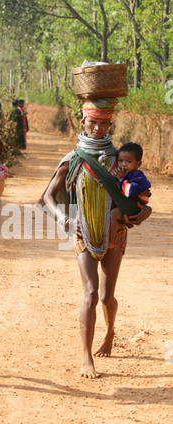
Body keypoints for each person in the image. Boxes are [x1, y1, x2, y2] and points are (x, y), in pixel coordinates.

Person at [41, 99, 152, 379]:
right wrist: (66, 220)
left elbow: (139, 192)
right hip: (82, 233)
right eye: (93, 122)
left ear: (110, 124)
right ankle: (86, 357)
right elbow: (47, 197)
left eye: (104, 123)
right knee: (90, 293)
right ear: (83, 123)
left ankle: (110, 331)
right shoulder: (74, 159)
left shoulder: (120, 159)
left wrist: (137, 212)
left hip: (115, 233)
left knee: (106, 296)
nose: (98, 127)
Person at [109, 142, 151, 248]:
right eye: (121, 161)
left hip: (135, 207)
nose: (123, 164)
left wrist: (121, 179)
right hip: (129, 205)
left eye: (128, 161)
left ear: (138, 164)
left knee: (113, 215)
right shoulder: (127, 174)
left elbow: (129, 192)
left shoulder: (138, 177)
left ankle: (111, 241)